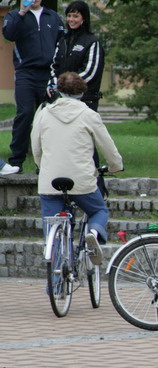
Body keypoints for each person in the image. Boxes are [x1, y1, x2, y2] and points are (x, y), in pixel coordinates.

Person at [31, 72, 123, 265]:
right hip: (81, 182)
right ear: (82, 91)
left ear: (58, 90)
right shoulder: (89, 115)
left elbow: (36, 147)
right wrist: (115, 166)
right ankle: (93, 233)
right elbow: (107, 145)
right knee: (99, 210)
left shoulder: (44, 113)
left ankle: (55, 286)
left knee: (53, 232)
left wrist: (42, 166)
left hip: (50, 181)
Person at [2, 0, 64, 172]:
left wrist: (58, 72)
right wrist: (22, 12)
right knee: (26, 113)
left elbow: (61, 42)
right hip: (25, 73)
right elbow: (9, 34)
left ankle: (49, 162)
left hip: (49, 73)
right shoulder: (14, 15)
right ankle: (16, 161)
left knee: (51, 116)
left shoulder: (52, 16)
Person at [48, 1, 104, 113]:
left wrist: (65, 86)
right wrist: (53, 84)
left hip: (85, 101)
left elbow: (90, 72)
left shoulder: (92, 42)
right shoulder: (63, 40)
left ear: (84, 18)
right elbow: (55, 66)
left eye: (75, 16)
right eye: (69, 16)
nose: (71, 19)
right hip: (62, 100)